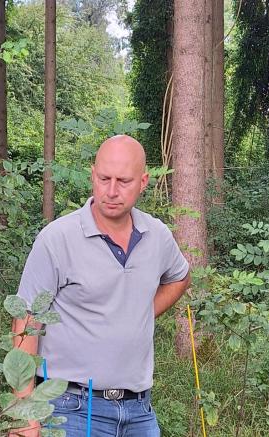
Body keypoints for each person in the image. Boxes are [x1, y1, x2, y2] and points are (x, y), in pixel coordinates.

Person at [10, 135, 191, 437]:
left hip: (138, 410)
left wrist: (138, 315)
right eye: (104, 178)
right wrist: (23, 412)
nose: (111, 191)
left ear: (143, 181)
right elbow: (26, 321)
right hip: (69, 407)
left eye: (124, 181)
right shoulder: (58, 239)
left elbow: (180, 277)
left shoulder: (157, 235)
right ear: (92, 174)